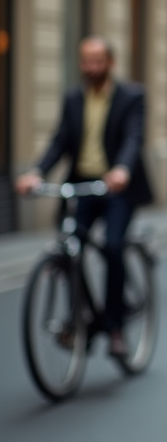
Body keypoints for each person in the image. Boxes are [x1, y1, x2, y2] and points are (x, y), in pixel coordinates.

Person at [16, 36, 155, 359]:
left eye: (97, 61)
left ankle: (116, 326)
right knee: (69, 246)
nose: (90, 67)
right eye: (85, 61)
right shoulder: (73, 99)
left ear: (110, 63)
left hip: (117, 187)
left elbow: (134, 137)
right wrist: (36, 172)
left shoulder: (131, 96)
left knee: (113, 246)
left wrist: (122, 169)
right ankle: (82, 316)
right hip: (82, 184)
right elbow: (60, 140)